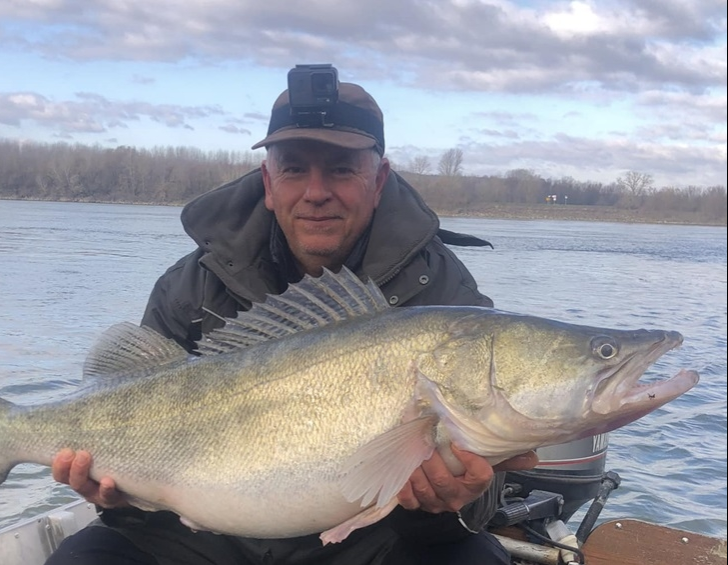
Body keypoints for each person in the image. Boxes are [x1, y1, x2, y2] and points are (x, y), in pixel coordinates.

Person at [45, 68, 538, 565]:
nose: (316, 191)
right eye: (294, 169)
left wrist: (463, 494)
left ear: (379, 180)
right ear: (268, 181)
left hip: (374, 539)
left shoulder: (445, 296)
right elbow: (127, 408)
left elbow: (483, 499)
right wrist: (116, 492)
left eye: (342, 169)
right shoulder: (192, 284)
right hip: (202, 536)